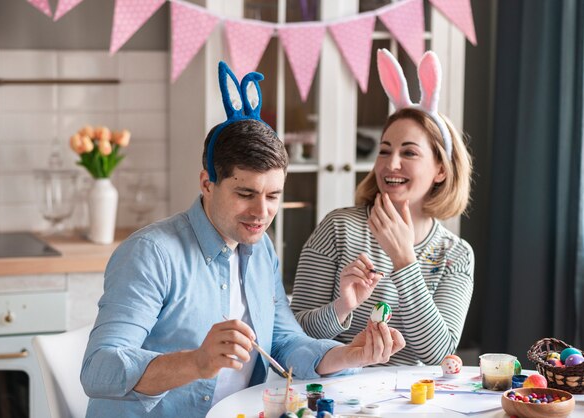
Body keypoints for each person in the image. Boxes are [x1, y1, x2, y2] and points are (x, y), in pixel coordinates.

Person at [80, 62, 405, 418]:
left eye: (273, 196)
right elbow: (99, 370)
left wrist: (348, 355)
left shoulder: (261, 248)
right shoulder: (151, 254)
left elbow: (284, 342)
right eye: (245, 193)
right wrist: (196, 362)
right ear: (207, 183)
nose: (261, 212)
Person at [290, 49, 474, 366]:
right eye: (385, 151)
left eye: (410, 153)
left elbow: (439, 354)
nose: (392, 164)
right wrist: (342, 308)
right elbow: (293, 335)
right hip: (335, 394)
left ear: (441, 170)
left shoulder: (455, 255)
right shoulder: (339, 228)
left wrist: (404, 260)